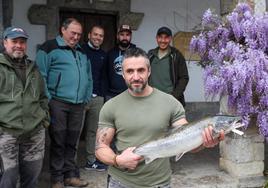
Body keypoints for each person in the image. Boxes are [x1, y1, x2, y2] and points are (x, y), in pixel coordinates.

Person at [95, 47, 224, 188]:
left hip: (159, 183)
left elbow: (188, 142)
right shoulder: (111, 106)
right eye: (130, 71)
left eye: (141, 70)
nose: (136, 76)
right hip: (121, 182)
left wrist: (204, 142)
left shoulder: (170, 103)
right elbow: (100, 147)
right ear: (123, 74)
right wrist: (117, 159)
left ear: (149, 71)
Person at [36, 18, 92, 188]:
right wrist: (48, 99)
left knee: (72, 141)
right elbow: (40, 75)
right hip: (58, 103)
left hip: (78, 104)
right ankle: (57, 179)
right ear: (63, 30)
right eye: (73, 33)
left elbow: (89, 77)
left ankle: (71, 175)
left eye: (79, 34)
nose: (76, 37)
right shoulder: (48, 48)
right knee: (58, 141)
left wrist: (86, 96)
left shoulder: (82, 51)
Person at [0, 26, 49, 188]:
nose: (18, 45)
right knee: (8, 179)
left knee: (32, 178)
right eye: (14, 41)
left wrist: (44, 120)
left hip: (34, 133)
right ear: (4, 43)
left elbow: (43, 97)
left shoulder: (33, 68)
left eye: (22, 42)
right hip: (7, 133)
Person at [81, 25, 107, 171]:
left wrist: (102, 94)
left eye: (101, 36)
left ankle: (91, 161)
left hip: (97, 98)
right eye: (95, 34)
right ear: (89, 35)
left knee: (93, 131)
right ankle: (70, 164)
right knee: (76, 132)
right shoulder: (80, 51)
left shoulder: (103, 54)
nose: (98, 38)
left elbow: (104, 77)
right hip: (82, 97)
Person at [148, 26, 189, 106]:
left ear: (170, 39)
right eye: (160, 37)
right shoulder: (150, 55)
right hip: (152, 100)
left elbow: (184, 78)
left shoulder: (176, 55)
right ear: (156, 38)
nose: (163, 41)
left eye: (166, 38)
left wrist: (174, 97)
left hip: (170, 101)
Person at [106, 24, 136, 99]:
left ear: (131, 36)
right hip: (112, 95)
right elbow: (105, 75)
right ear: (117, 36)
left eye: (127, 35)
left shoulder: (137, 53)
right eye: (122, 35)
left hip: (131, 94)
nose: (125, 37)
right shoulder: (110, 54)